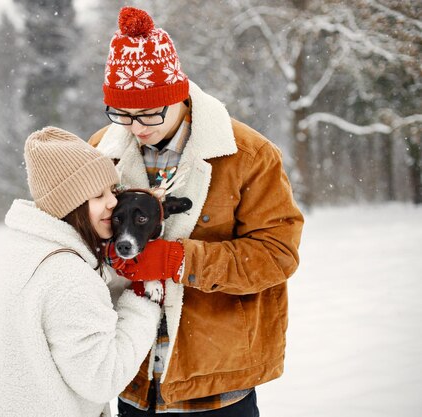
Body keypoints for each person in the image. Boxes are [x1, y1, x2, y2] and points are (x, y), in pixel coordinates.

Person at [89, 7, 304, 416]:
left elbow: (277, 255)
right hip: (131, 377)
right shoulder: (102, 150)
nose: (137, 128)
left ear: (178, 94)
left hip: (218, 382)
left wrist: (179, 259)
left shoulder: (248, 155)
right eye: (124, 115)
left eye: (150, 113)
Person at [0, 126, 163, 417]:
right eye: (98, 195)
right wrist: (143, 298)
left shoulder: (18, 251)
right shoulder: (67, 275)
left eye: (112, 190)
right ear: (71, 204)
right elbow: (102, 378)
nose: (113, 202)